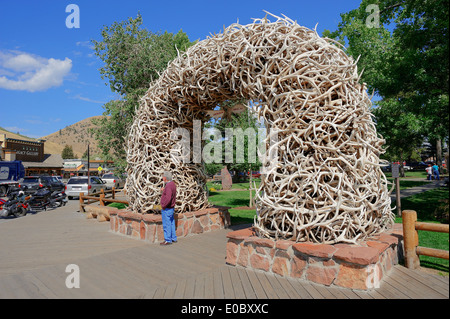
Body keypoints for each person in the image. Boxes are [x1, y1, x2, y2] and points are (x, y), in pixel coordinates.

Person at [160, 171, 177, 245]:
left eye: (163, 176)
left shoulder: (169, 186)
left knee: (167, 224)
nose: (162, 178)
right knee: (171, 223)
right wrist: (164, 190)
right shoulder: (172, 184)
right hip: (171, 208)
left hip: (167, 208)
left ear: (165, 178)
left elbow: (168, 198)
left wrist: (163, 205)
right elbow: (169, 193)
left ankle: (168, 240)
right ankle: (173, 238)